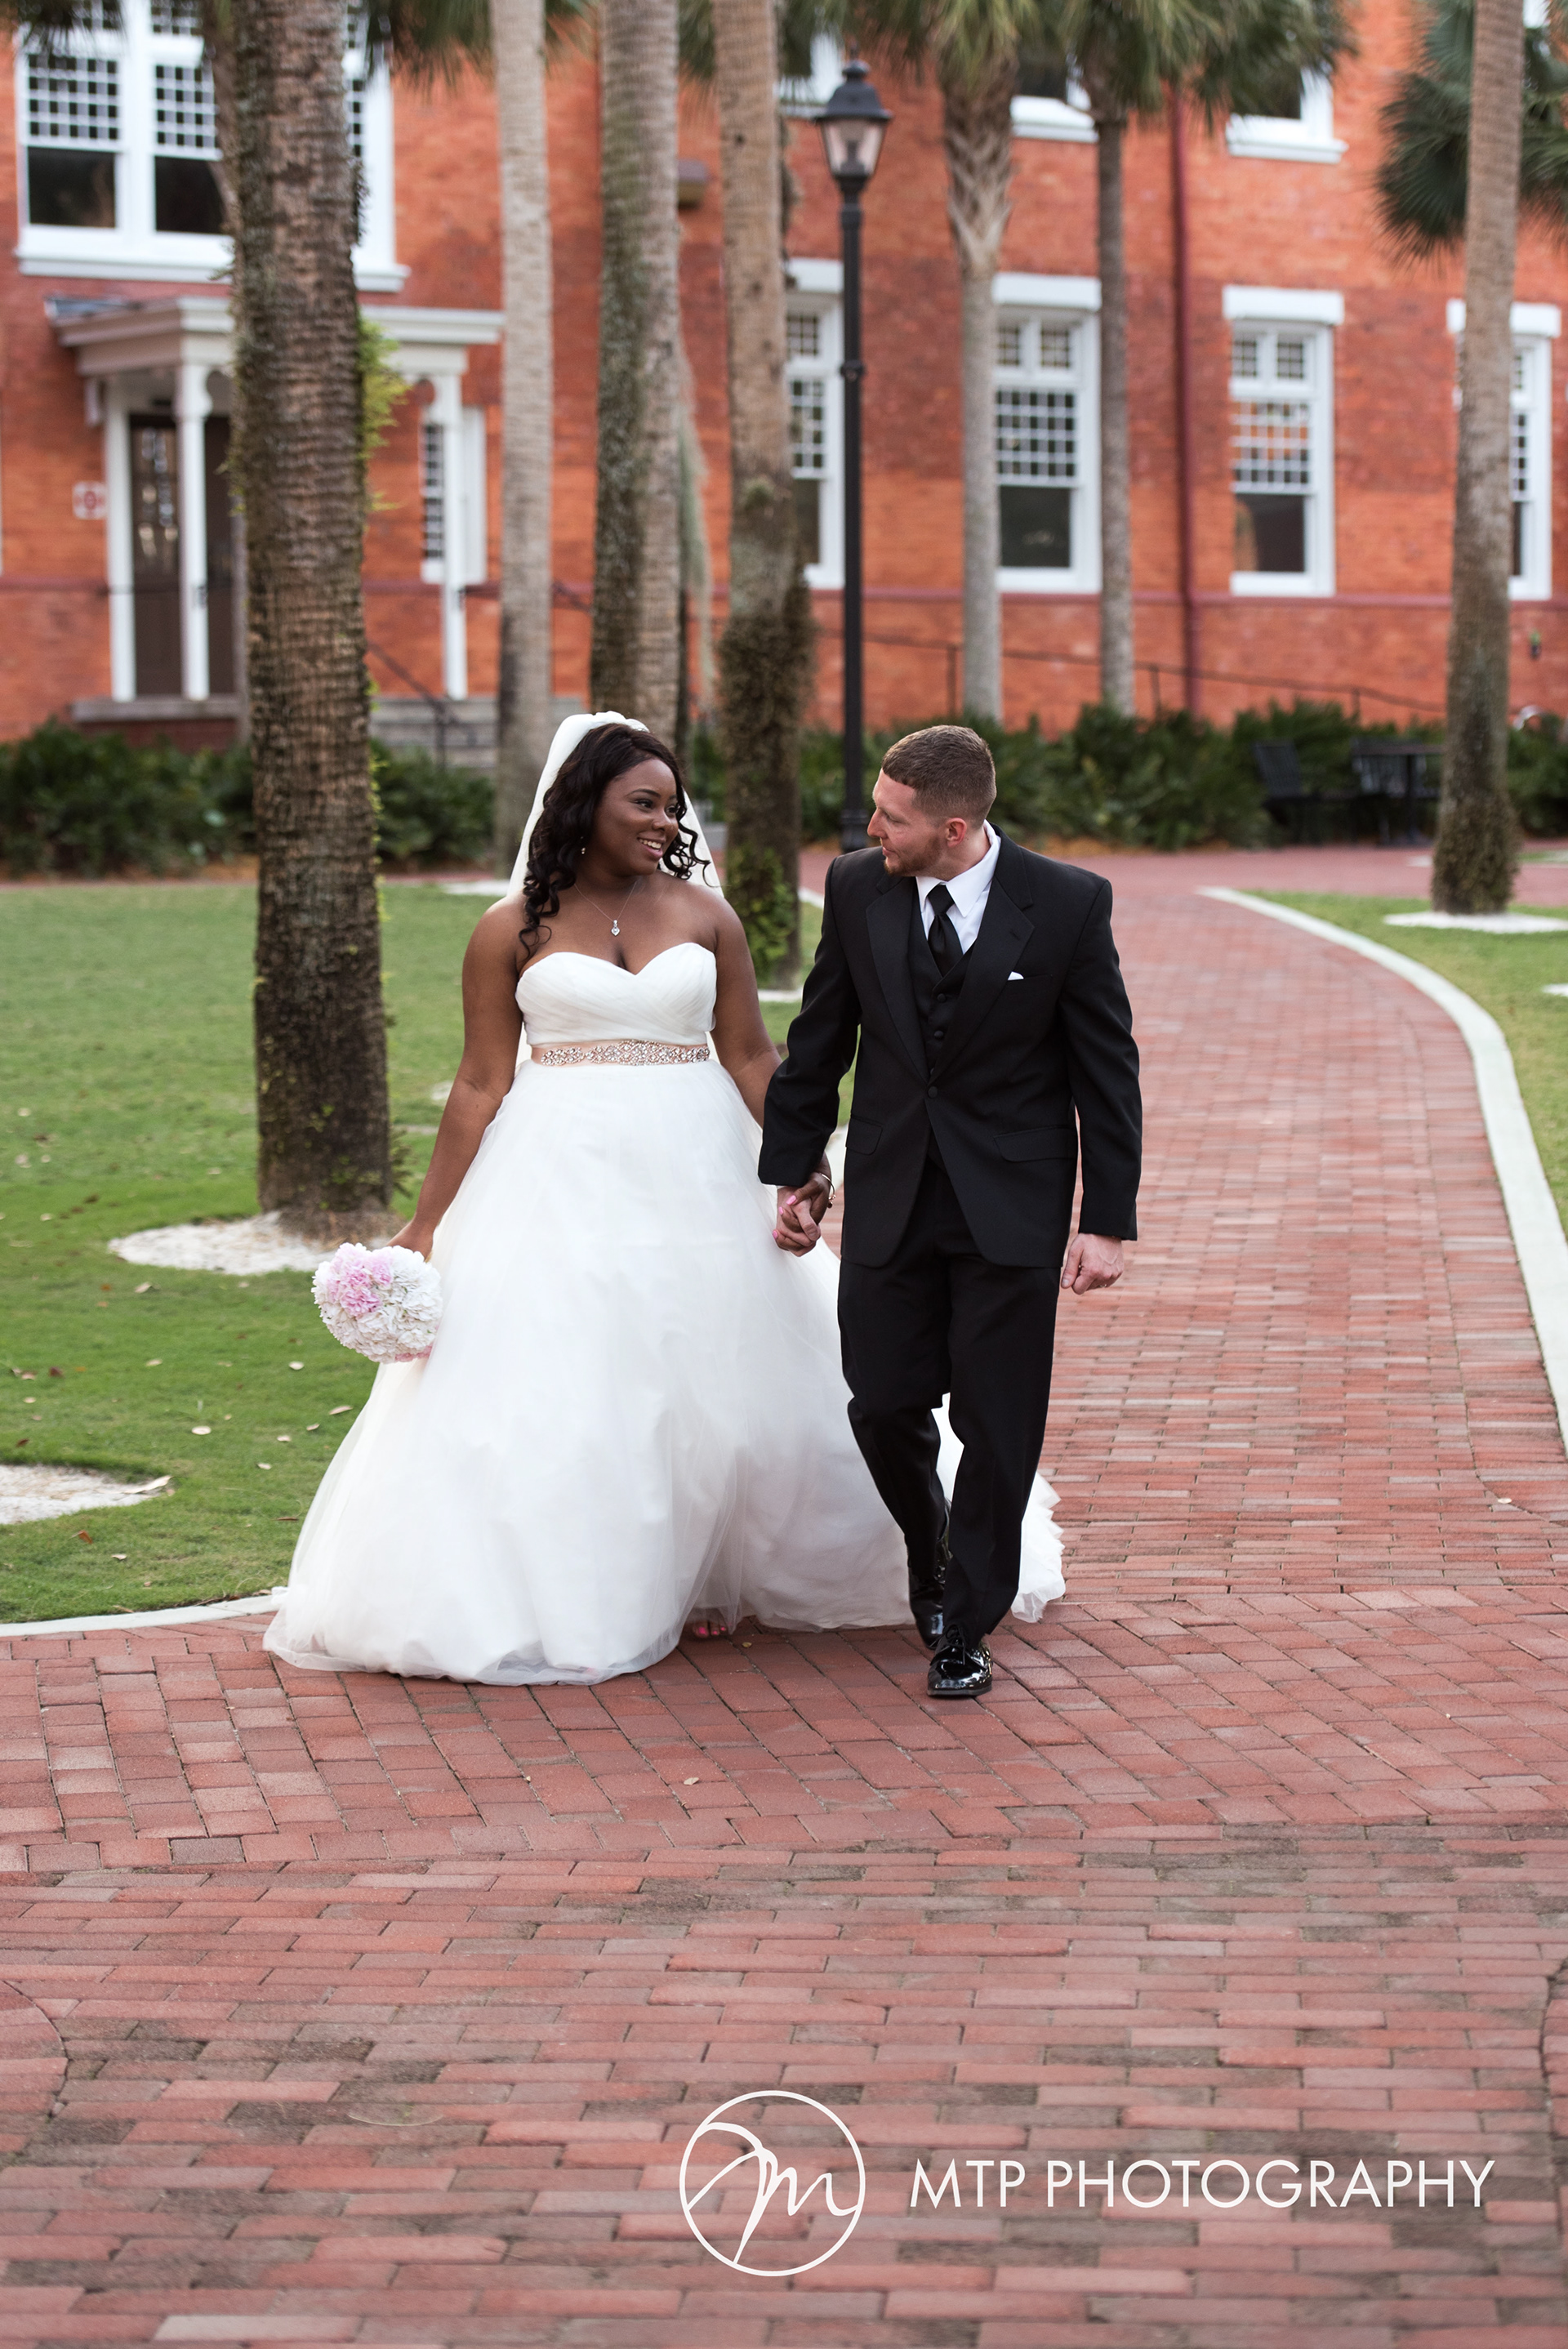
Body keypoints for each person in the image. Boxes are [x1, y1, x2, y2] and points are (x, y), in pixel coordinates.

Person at [265, 714, 1063, 1687]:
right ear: (583, 804)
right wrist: (426, 1222)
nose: (665, 820)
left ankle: (815, 1567)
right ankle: (596, 1582)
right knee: (578, 1381)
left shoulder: (703, 915)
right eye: (643, 802)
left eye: (670, 804)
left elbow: (750, 1053)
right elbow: (481, 1082)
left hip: (700, 1165)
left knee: (721, 1374)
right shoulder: (508, 927)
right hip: (555, 1172)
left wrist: (800, 1162)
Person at [761, 724, 1141, 1700]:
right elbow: (818, 1039)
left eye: (890, 817)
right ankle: (931, 1548)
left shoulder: (1065, 904)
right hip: (891, 1191)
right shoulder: (856, 888)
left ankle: (965, 1619)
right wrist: (795, 1165)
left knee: (997, 1418)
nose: (871, 829)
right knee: (883, 1399)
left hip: (1011, 1202)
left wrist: (1107, 1218)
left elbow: (1108, 1069)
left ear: (955, 825)